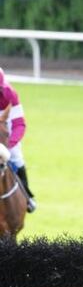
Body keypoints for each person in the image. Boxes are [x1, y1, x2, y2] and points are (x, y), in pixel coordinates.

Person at [0, 68, 35, 212]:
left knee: (16, 157)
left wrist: (9, 145)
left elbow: (19, 123)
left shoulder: (10, 94)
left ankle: (27, 197)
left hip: (4, 136)